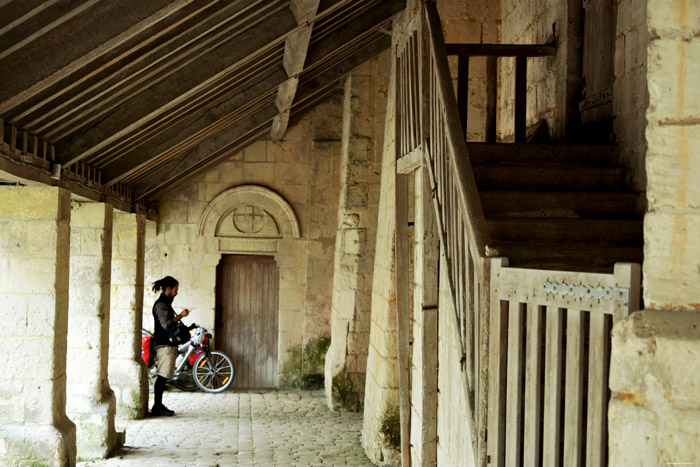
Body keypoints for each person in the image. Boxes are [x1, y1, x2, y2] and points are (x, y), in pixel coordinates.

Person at [151, 276, 189, 416]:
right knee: (162, 376)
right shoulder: (161, 305)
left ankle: (158, 405)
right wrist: (180, 316)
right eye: (175, 290)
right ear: (168, 289)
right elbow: (165, 324)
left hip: (167, 343)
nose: (176, 293)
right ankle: (157, 406)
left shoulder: (166, 303)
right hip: (164, 343)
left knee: (164, 375)